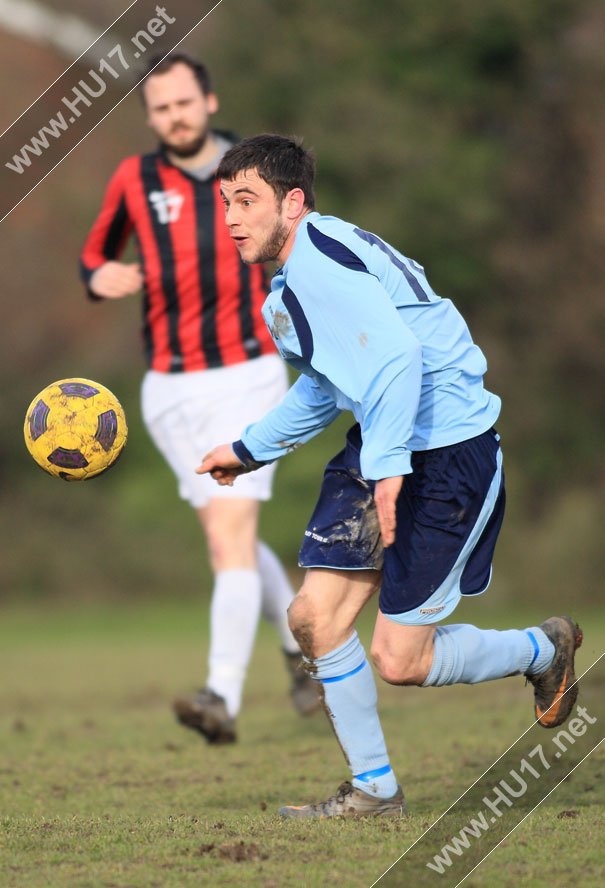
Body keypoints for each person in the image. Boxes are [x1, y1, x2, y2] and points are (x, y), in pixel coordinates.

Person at [197, 133, 583, 816]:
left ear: (293, 202)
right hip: (388, 440)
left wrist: (386, 470)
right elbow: (327, 387)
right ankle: (374, 791)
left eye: (247, 200)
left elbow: (399, 359)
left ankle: (540, 648)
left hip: (446, 453)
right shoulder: (292, 282)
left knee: (402, 662)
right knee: (313, 618)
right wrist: (250, 447)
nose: (231, 218)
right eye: (226, 202)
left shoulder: (316, 263)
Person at [79, 57, 319, 745]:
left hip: (248, 373)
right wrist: (103, 278)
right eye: (160, 108)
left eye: (184, 102)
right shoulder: (134, 179)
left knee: (226, 538)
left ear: (208, 100)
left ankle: (221, 696)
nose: (174, 116)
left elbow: (304, 244)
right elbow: (91, 260)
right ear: (151, 116)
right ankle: (303, 650)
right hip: (167, 388)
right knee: (231, 536)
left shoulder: (248, 174)